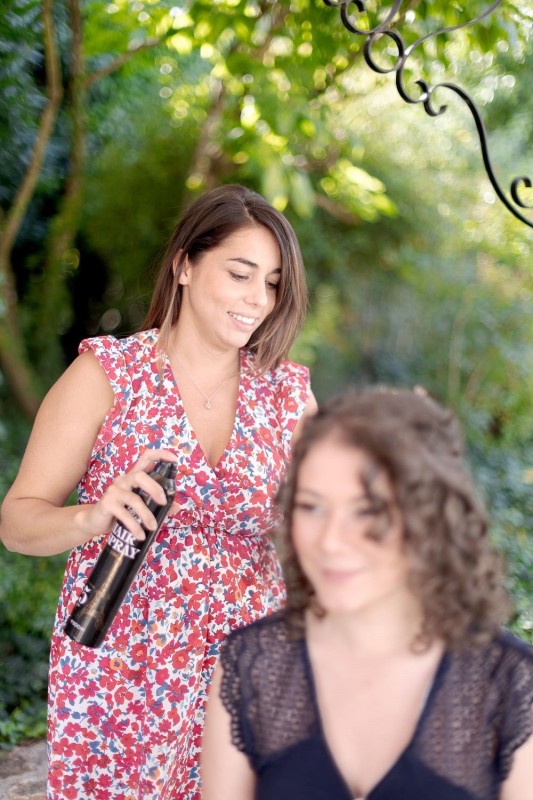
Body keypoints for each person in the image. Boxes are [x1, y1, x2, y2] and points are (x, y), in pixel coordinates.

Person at [0, 183, 317, 800]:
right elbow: (16, 523)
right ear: (185, 265)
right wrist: (94, 517)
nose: (258, 299)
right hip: (124, 673)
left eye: (273, 283)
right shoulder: (107, 377)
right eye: (241, 274)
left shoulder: (287, 396)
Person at [201, 387, 533, 800]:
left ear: (428, 517)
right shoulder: (249, 668)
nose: (332, 541)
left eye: (368, 511)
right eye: (312, 506)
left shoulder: (510, 685)